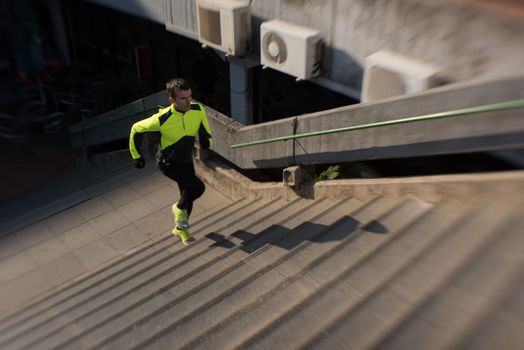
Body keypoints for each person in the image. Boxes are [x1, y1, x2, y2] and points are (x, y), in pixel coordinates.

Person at [129, 78, 212, 245]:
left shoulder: (197, 109)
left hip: (186, 161)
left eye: (190, 96)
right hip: (168, 164)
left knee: (187, 197)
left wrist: (205, 141)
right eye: (183, 98)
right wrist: (137, 156)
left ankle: (180, 230)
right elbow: (135, 129)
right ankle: (178, 209)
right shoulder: (162, 119)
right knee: (197, 187)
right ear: (172, 100)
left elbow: (203, 127)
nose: (189, 101)